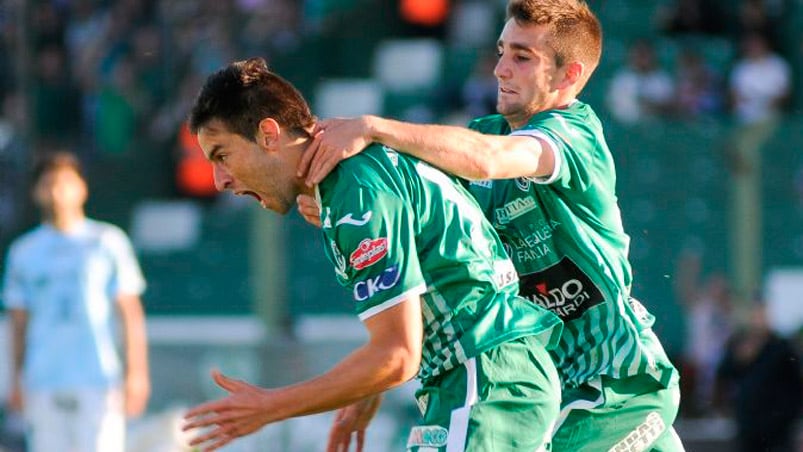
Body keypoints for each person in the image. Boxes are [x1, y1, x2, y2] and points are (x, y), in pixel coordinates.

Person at [296, 0, 683, 450]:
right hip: (550, 384)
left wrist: (371, 127)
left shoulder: (573, 135)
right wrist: (373, 384)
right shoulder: (484, 135)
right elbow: (439, 252)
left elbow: (488, 160)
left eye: (522, 57)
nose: (500, 69)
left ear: (569, 75)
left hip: (615, 387)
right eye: (500, 51)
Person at [181, 57, 563, 452]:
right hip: (489, 378)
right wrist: (366, 389)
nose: (219, 180)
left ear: (268, 134)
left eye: (222, 155)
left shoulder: (356, 193)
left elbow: (398, 354)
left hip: (485, 382)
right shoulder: (355, 176)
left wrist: (269, 406)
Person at [2, 151, 150, 452]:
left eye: (64, 183)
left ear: (82, 188)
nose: (57, 192)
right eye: (48, 184)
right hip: (43, 379)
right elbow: (18, 322)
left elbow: (130, 313)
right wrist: (15, 379)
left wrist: (137, 374)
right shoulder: (24, 251)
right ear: (36, 192)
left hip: (98, 378)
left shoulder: (107, 241)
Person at [713, 299, 803, 452]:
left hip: (778, 428)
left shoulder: (781, 347)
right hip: (748, 426)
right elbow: (723, 375)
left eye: (761, 314)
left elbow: (798, 381)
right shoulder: (739, 344)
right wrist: (739, 359)